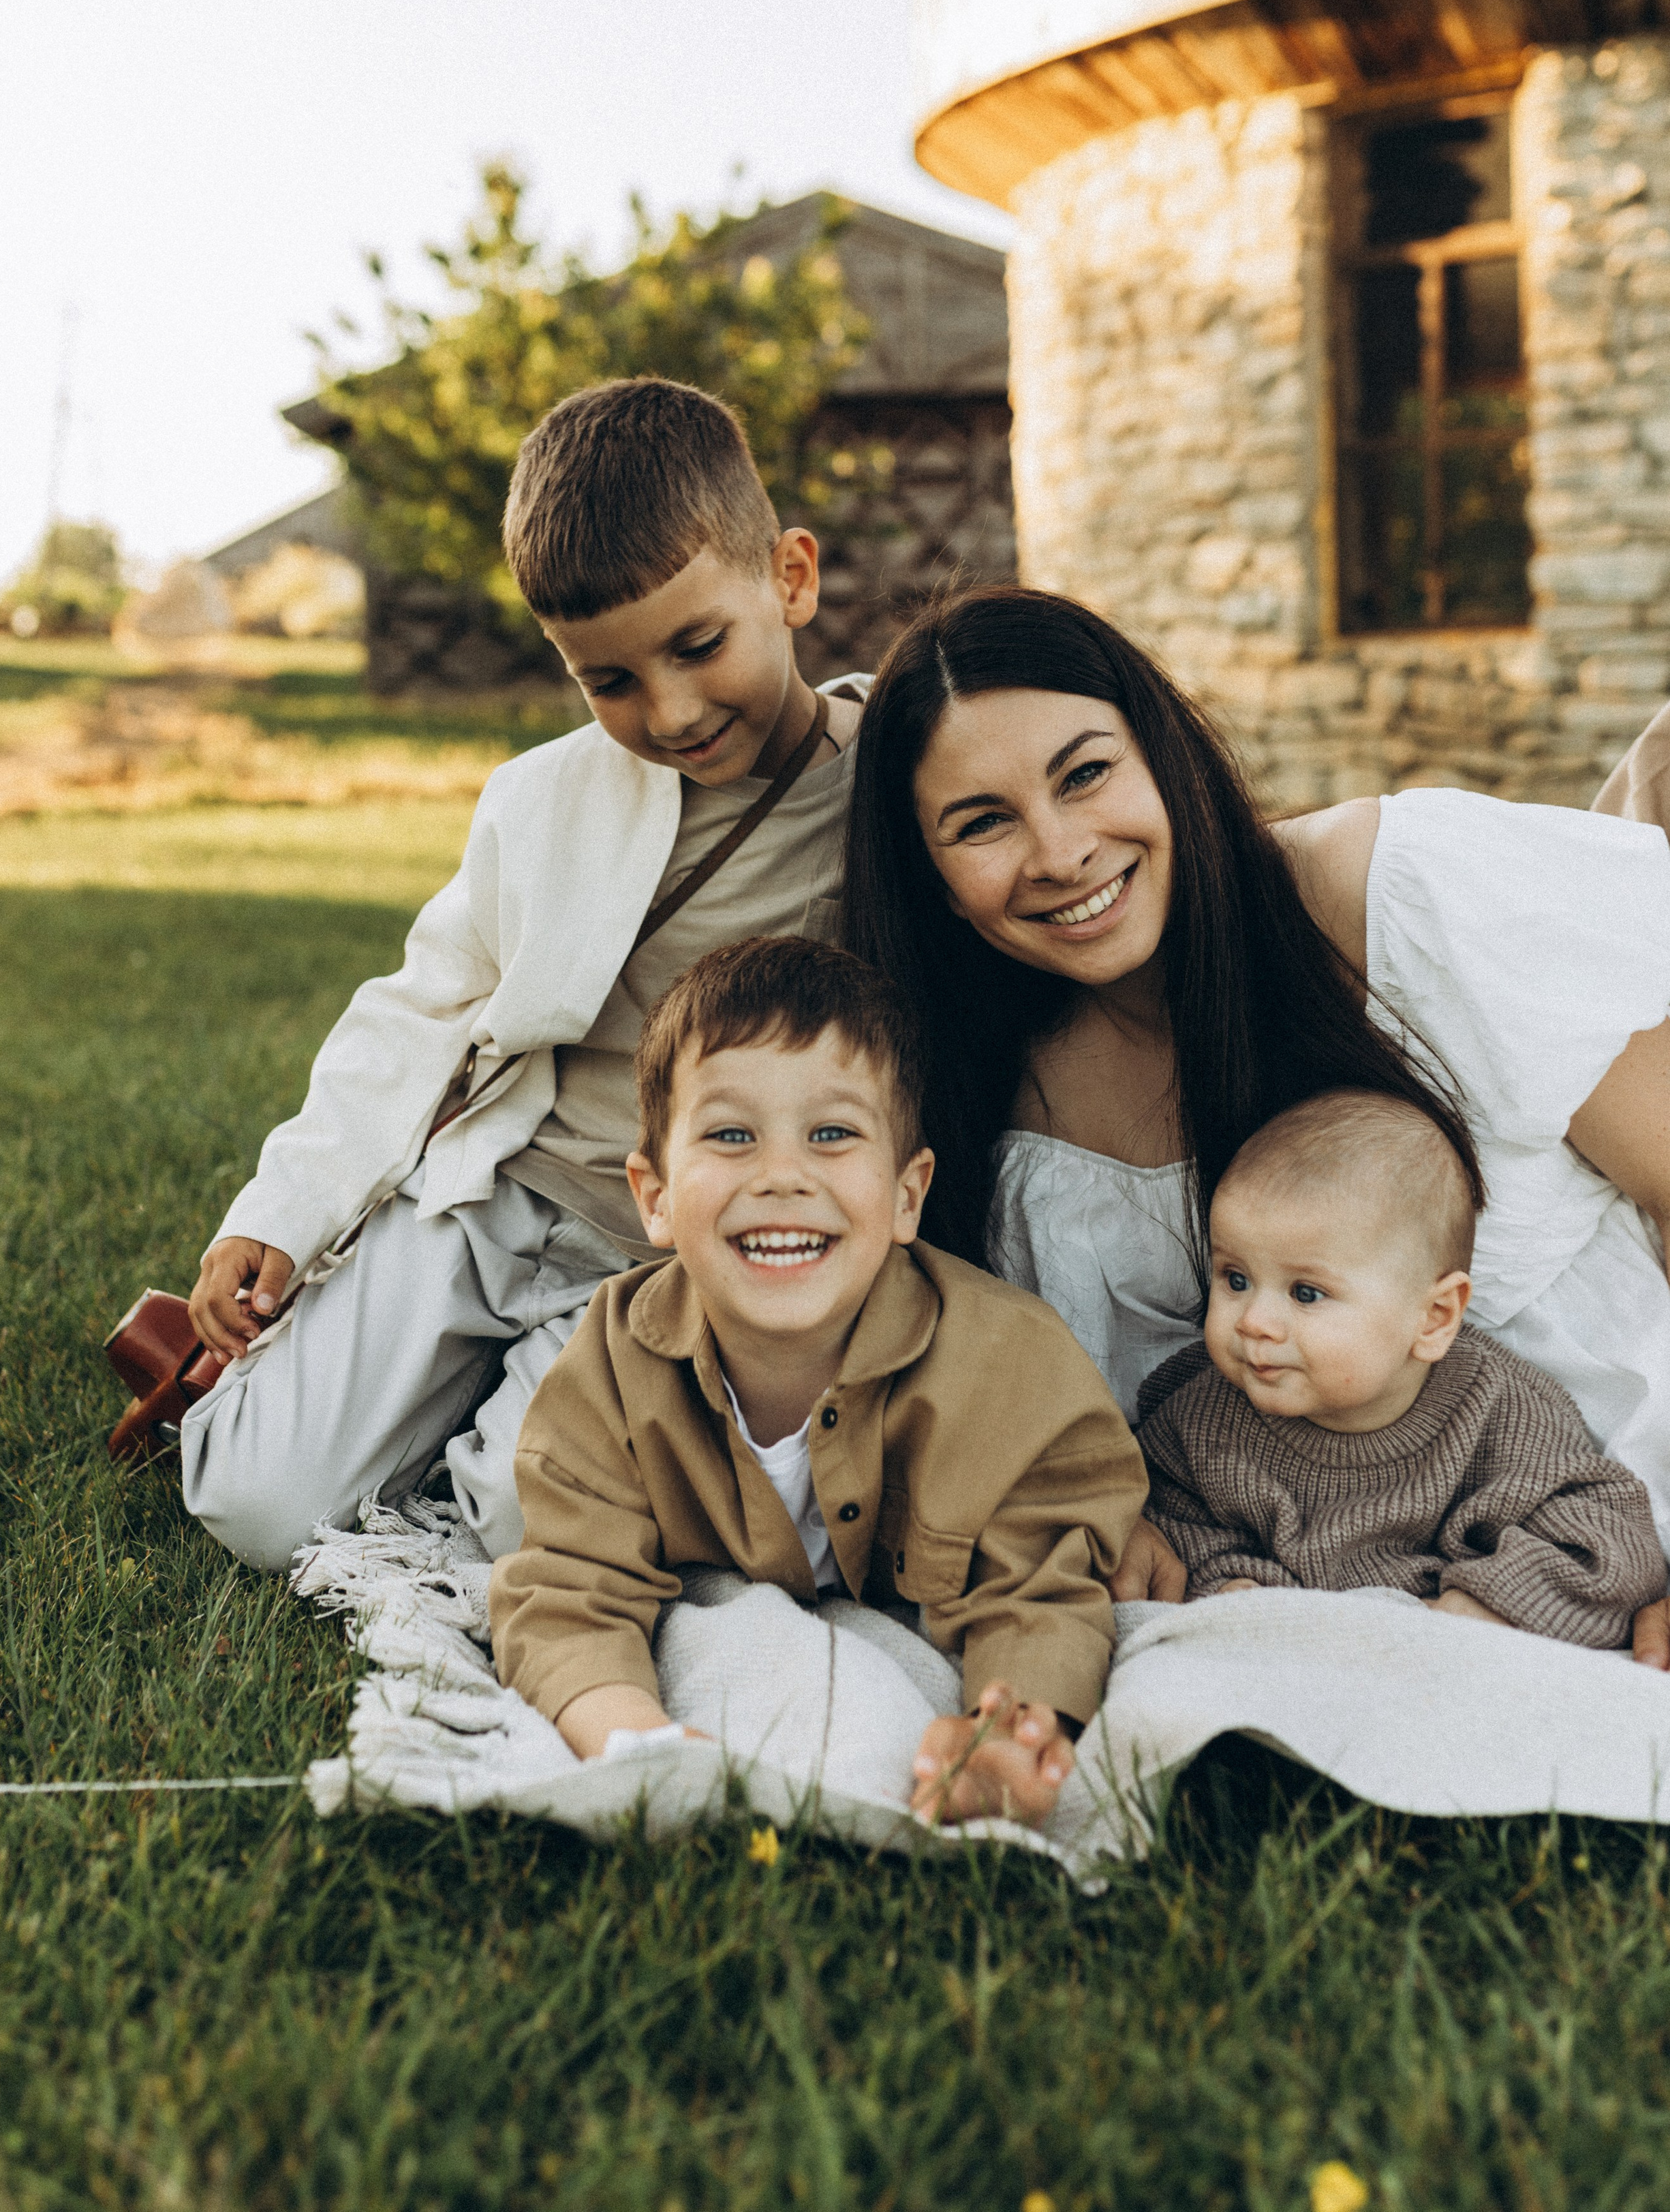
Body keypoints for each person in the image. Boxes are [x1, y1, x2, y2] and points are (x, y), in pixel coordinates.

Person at [839, 584, 1670, 1665]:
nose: (1058, 852)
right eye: (983, 822)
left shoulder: (1394, 892)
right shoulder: (978, 1117)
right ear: (937, 882)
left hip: (1607, 1532)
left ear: (1165, 756)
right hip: (1306, 1614)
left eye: (1086, 774)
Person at [179, 378, 873, 1571]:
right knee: (253, 1505)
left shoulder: (888, 795)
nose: (671, 710)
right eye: (608, 681)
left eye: (700, 645)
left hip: (673, 1258)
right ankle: (429, 1387)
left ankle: (517, 1432)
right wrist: (283, 1213)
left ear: (790, 579)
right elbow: (418, 1011)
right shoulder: (540, 800)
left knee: (525, 1521)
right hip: (495, 1197)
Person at [488, 935, 1149, 1828]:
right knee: (501, 1506)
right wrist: (635, 1743)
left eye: (832, 1135)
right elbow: (569, 1591)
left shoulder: (1012, 1368)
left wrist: (1008, 1729)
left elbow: (1038, 1587)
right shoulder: (609, 1367)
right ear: (653, 1195)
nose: (784, 1176)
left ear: (908, 1194)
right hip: (603, 1496)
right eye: (730, 1136)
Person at [1135, 1090, 1666, 1646]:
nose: (1254, 1322)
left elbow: (1610, 1543)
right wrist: (1233, 1586)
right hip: (1287, 1650)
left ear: (1434, 1318)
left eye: (1307, 1293)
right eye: (1235, 1279)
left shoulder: (1499, 1412)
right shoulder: (1200, 1418)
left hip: (1446, 1645)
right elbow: (1164, 1524)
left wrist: (1491, 1603)